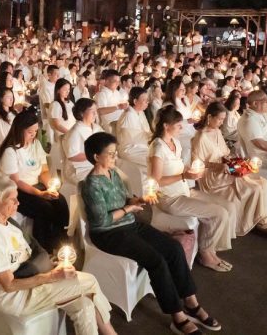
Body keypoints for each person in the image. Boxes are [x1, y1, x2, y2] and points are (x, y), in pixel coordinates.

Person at [81, 132, 221, 335]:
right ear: (96, 157)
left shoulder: (114, 174)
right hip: (108, 233)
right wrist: (129, 209)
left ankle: (191, 302)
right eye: (110, 154)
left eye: (115, 153)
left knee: (173, 248)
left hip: (129, 224)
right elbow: (102, 220)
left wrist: (137, 201)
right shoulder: (91, 184)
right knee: (155, 260)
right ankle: (177, 316)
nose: (115, 157)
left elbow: (124, 199)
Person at [0, 174, 116, 335]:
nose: (18, 203)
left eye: (17, 198)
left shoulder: (8, 223)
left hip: (31, 277)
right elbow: (8, 285)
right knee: (90, 281)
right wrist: (50, 277)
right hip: (14, 296)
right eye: (13, 200)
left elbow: (28, 253)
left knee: (85, 304)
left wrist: (49, 266)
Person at [148, 106, 236, 272]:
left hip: (183, 191)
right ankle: (205, 253)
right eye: (179, 126)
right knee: (219, 213)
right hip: (169, 198)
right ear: (167, 126)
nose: (183, 128)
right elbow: (156, 181)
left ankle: (211, 248)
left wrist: (194, 169)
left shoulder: (174, 143)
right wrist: (184, 176)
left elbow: (181, 166)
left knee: (229, 206)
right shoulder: (158, 148)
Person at [191, 102, 267, 240]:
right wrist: (217, 166)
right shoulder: (200, 137)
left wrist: (232, 158)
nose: (221, 123)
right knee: (254, 188)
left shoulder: (217, 131)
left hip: (226, 169)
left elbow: (224, 152)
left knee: (263, 183)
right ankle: (255, 222)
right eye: (219, 119)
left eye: (223, 119)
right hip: (214, 176)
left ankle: (260, 221)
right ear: (209, 117)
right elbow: (198, 163)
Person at [0, 109, 69, 252]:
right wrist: (39, 194)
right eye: (30, 132)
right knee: (44, 208)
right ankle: (43, 246)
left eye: (36, 131)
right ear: (20, 130)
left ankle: (59, 238)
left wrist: (49, 186)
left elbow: (44, 170)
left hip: (37, 186)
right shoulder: (10, 151)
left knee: (61, 202)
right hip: (17, 190)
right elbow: (16, 181)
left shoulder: (35, 144)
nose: (33, 135)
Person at [63, 98, 103, 182]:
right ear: (81, 113)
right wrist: (95, 155)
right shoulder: (75, 132)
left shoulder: (96, 127)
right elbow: (72, 156)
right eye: (92, 111)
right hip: (81, 169)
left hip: (97, 164)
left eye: (96, 111)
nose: (95, 114)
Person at [116, 87, 152, 167]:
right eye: (144, 100)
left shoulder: (140, 112)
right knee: (154, 161)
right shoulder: (128, 115)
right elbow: (131, 139)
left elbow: (147, 132)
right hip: (131, 149)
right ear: (135, 101)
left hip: (142, 145)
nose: (147, 102)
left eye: (147, 99)